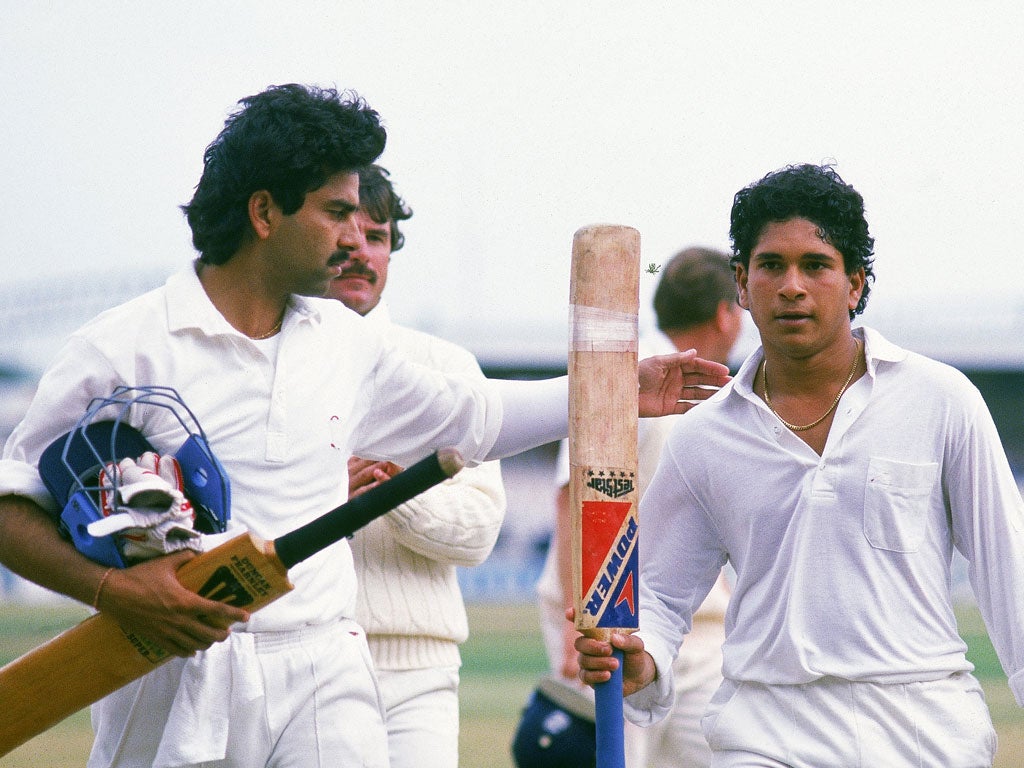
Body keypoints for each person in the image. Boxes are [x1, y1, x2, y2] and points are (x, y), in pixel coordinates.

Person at [0, 83, 730, 768]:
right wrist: (115, 592)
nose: (356, 237)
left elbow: (477, 417)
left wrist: (612, 389)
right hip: (174, 673)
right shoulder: (122, 345)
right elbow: (10, 509)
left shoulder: (346, 340)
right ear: (263, 213)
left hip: (324, 664)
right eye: (335, 212)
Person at [575, 163, 1024, 767]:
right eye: (771, 265)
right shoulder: (705, 436)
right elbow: (655, 589)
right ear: (741, 282)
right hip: (768, 732)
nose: (792, 286)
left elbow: (1010, 572)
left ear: (856, 283)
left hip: (924, 729)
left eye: (816, 265)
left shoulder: (940, 399)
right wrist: (643, 654)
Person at [524, 247, 744, 768]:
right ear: (724, 313)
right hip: (617, 629)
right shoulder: (629, 376)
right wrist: (581, 630)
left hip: (702, 635)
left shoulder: (717, 396)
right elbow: (570, 499)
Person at [325, 163, 507, 768]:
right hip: (304, 657)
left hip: (420, 672)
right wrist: (326, 495)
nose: (360, 255)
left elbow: (479, 531)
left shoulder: (446, 364)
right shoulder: (265, 364)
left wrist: (395, 492)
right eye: (346, 237)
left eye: (377, 239)